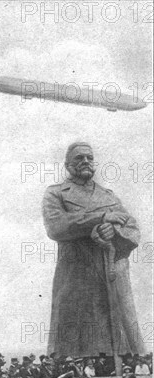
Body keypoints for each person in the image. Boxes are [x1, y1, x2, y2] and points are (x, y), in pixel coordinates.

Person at [42, 142, 144, 359]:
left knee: (115, 331)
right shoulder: (56, 194)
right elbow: (56, 227)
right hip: (75, 272)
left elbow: (132, 228)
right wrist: (99, 218)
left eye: (89, 157)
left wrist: (114, 231)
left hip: (109, 271)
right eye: (79, 158)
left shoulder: (108, 196)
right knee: (75, 335)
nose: (85, 161)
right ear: (68, 165)